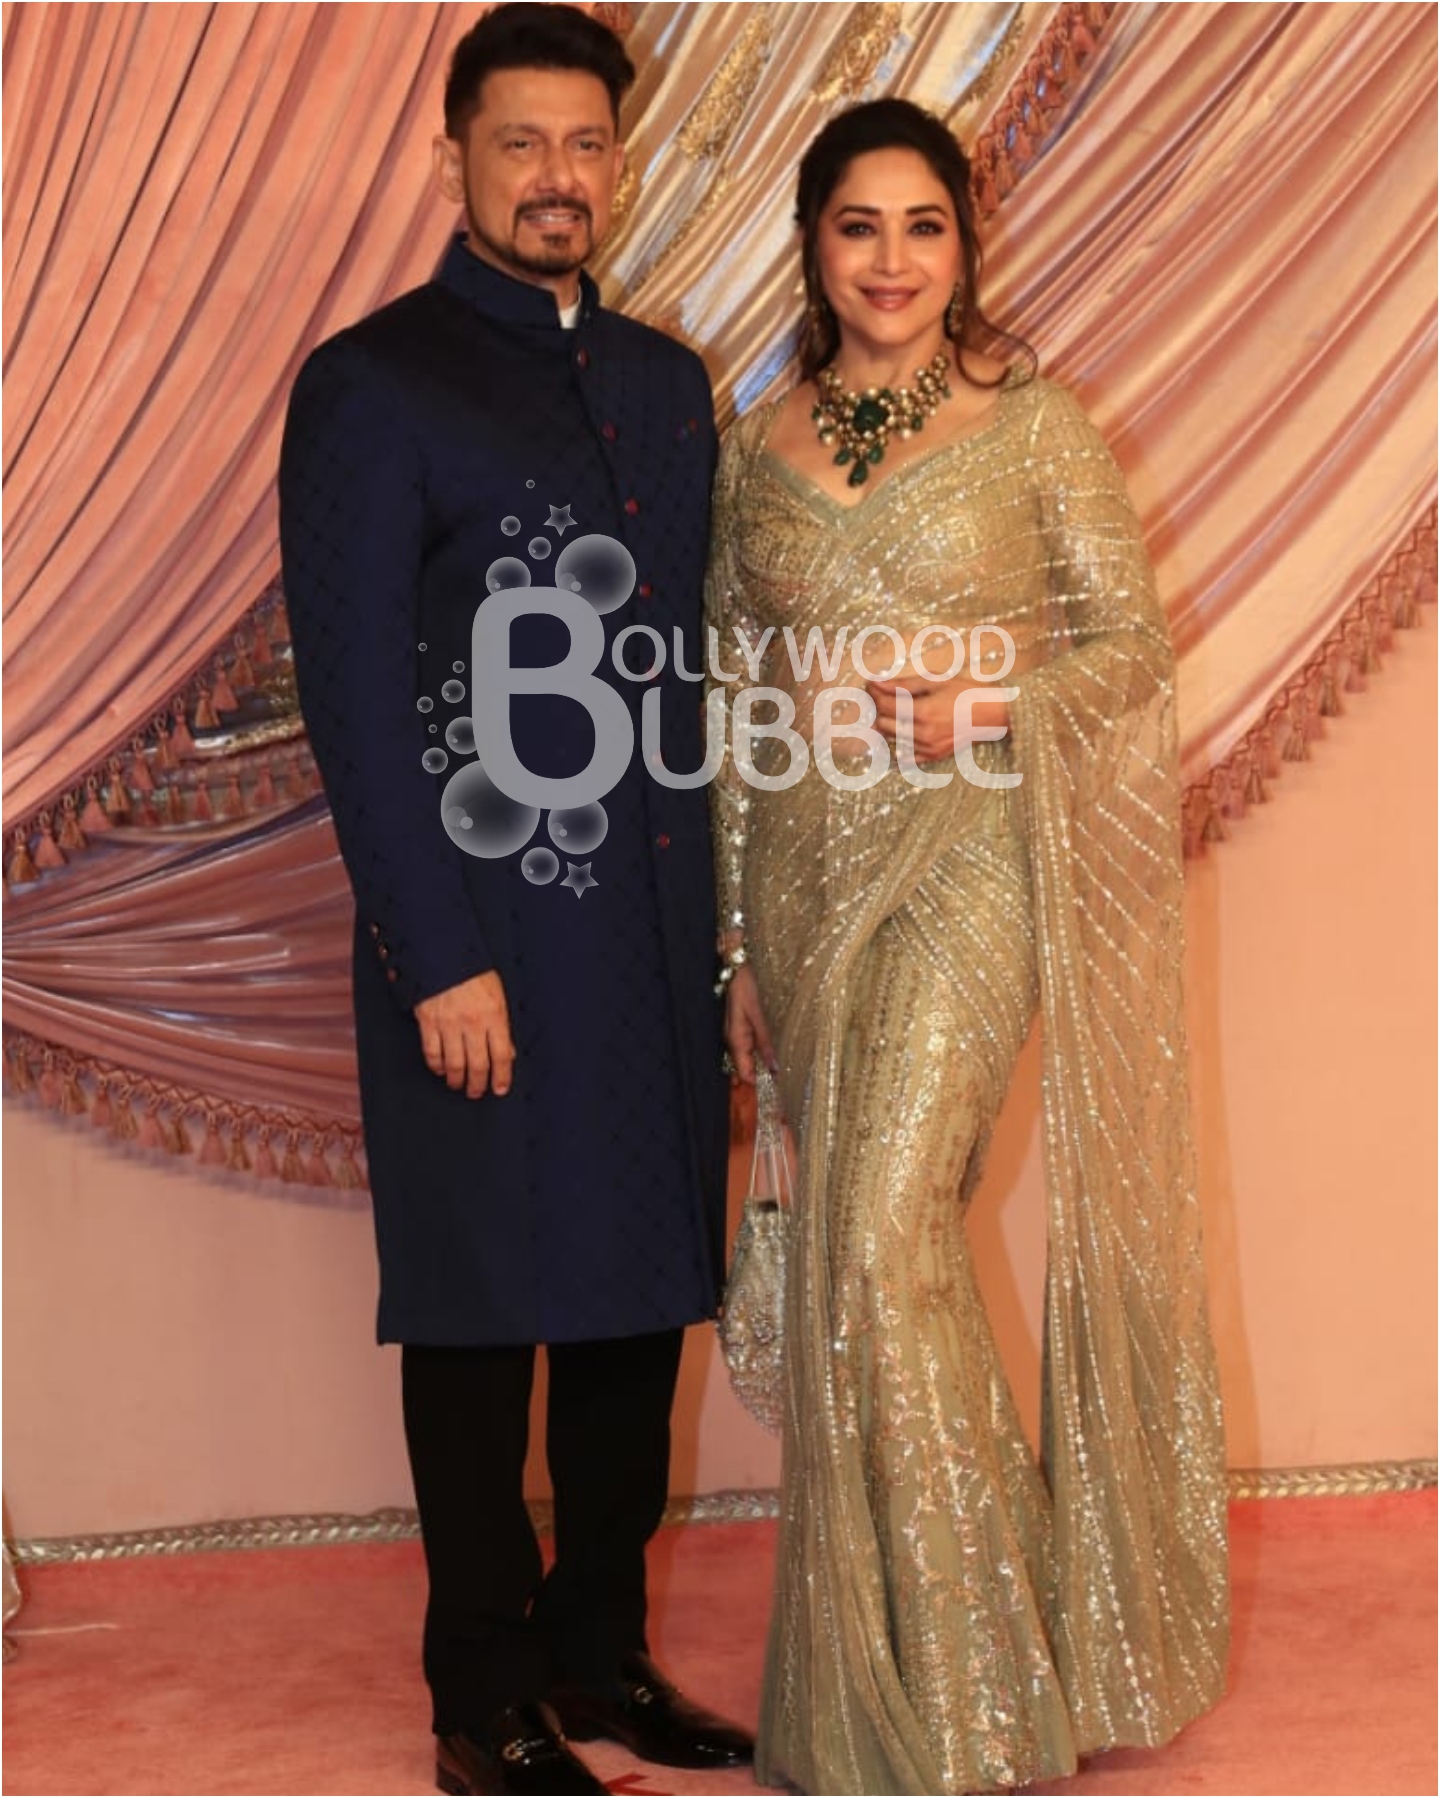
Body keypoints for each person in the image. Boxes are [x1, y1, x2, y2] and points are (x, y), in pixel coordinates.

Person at [708, 98, 1231, 1795]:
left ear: (964, 243)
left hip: (970, 868)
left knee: (879, 1240)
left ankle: (975, 1704)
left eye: (923, 227)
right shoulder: (756, 445)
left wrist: (986, 700)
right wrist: (730, 949)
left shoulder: (1040, 426)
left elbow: (1130, 654)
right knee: (875, 1272)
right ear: (813, 244)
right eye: (859, 227)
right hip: (800, 887)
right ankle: (897, 1691)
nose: (891, 262)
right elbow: (731, 709)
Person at [279, 8, 749, 1794]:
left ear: (615, 161)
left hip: (642, 947)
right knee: (482, 1315)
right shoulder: (372, 382)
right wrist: (437, 953)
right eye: (520, 143)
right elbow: (350, 700)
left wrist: (720, 943)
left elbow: (685, 675)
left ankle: (602, 1654)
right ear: (455, 153)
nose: (558, 177)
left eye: (586, 147)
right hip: (475, 941)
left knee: (636, 1303)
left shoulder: (657, 383)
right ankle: (482, 1690)